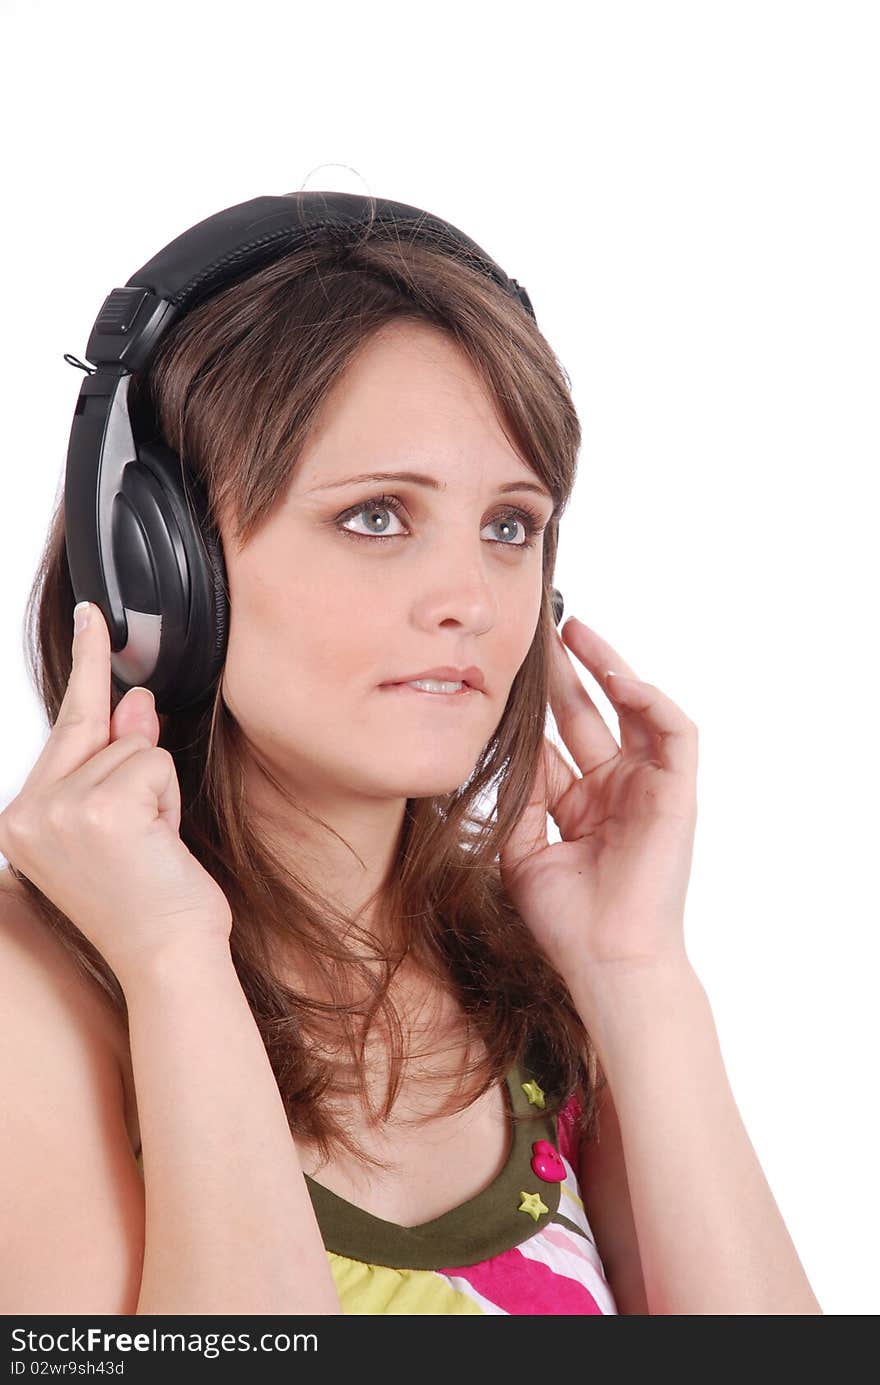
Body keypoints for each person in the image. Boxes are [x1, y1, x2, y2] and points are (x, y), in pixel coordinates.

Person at [0, 227, 821, 1315]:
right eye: (376, 515)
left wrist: (636, 974)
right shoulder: (35, 990)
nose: (472, 602)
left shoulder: (548, 992)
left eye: (509, 525)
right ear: (163, 566)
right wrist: (172, 964)